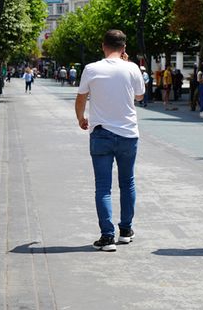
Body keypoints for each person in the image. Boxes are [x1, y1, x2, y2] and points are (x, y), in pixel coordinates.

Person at [75, 29, 145, 252]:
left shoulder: (91, 69)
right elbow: (140, 96)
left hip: (101, 133)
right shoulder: (132, 68)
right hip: (128, 134)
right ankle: (125, 231)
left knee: (103, 187)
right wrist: (129, 65)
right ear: (123, 48)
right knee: (128, 182)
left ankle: (107, 237)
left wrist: (81, 118)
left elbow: (81, 97)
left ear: (103, 46)